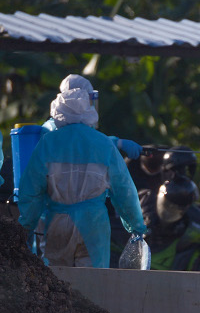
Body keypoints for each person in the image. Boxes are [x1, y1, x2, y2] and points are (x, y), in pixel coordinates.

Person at [18, 84, 146, 267]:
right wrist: (136, 226)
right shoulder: (103, 143)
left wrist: (26, 227)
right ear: (89, 112)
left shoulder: (47, 143)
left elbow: (31, 192)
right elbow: (124, 189)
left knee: (58, 284)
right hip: (94, 225)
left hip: (58, 225)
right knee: (93, 285)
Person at [41, 74, 144, 160]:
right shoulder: (52, 128)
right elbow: (81, 144)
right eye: (88, 99)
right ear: (75, 98)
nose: (90, 104)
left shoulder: (61, 125)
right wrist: (117, 143)